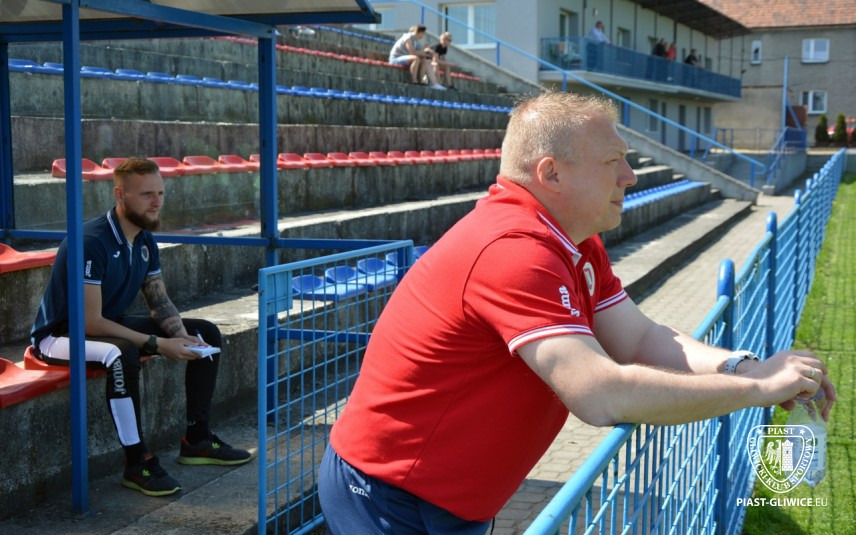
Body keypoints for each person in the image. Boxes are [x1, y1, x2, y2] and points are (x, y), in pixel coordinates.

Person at [317, 92, 836, 533]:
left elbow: (639, 339)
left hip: (446, 496)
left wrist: (742, 367)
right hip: (389, 493)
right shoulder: (513, 250)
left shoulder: (575, 241)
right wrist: (756, 390)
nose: (630, 177)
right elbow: (599, 393)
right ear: (552, 174)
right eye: (613, 162)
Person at [30, 158, 252, 497]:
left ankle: (197, 439)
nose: (156, 202)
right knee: (122, 354)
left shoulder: (144, 239)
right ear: (120, 195)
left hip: (107, 324)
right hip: (61, 334)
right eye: (147, 194)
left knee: (204, 333)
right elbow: (89, 321)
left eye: (160, 193)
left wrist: (179, 335)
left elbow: (158, 303)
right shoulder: (91, 241)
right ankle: (137, 462)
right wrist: (158, 344)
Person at [389, 24, 446, 90]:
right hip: (396, 58)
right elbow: (412, 52)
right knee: (416, 59)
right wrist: (424, 53)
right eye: (423, 33)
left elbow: (420, 53)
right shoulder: (408, 37)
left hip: (406, 58)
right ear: (420, 32)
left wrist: (426, 53)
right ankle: (414, 81)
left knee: (426, 61)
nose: (423, 35)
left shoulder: (416, 41)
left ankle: (433, 83)